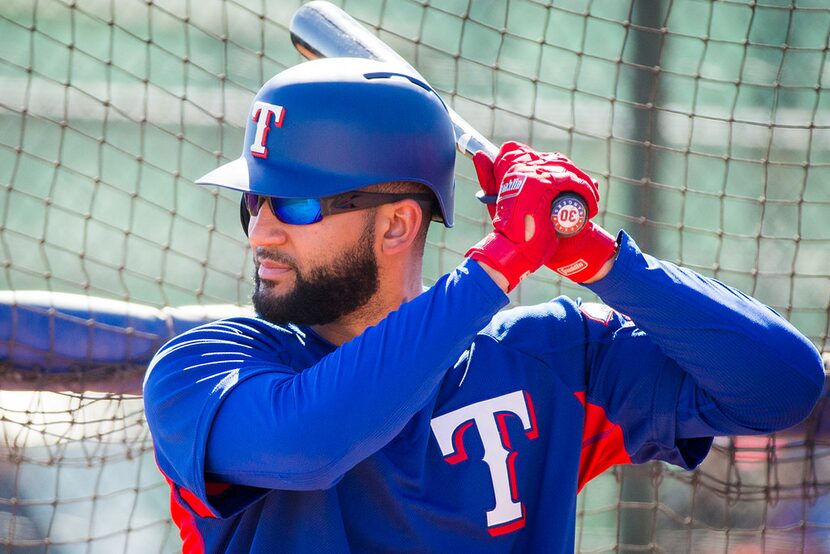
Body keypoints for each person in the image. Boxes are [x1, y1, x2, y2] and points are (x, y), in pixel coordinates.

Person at [142, 57, 824, 553]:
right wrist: (498, 261)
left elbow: (780, 388)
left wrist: (600, 260)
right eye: (253, 200)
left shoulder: (550, 359)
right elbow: (308, 445)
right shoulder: (203, 368)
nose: (260, 229)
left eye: (291, 204)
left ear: (397, 226)